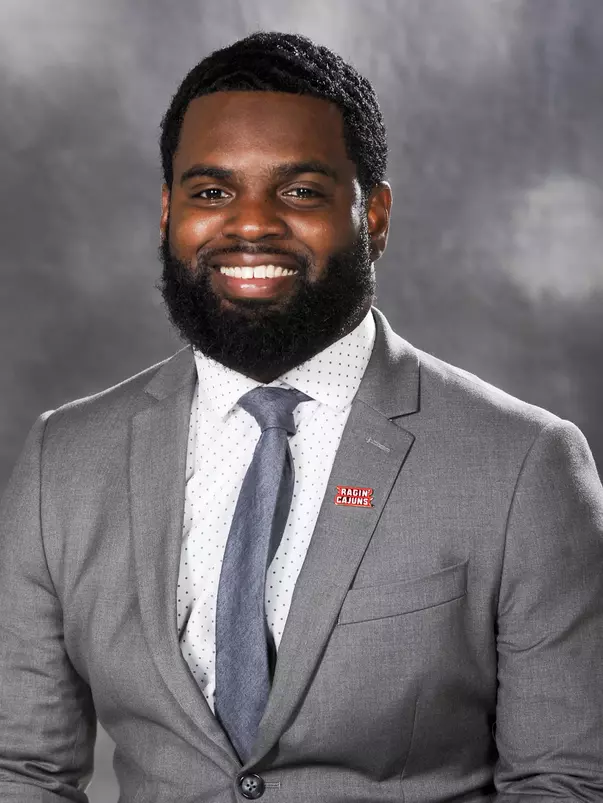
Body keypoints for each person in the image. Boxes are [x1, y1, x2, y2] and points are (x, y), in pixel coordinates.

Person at [0, 30, 602, 803]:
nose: (250, 225)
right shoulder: (64, 458)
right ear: (167, 211)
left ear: (373, 216)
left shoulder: (524, 464)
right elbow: (20, 768)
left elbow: (569, 780)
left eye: (300, 191)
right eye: (211, 192)